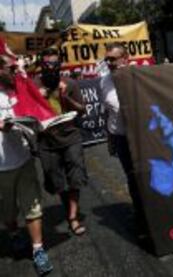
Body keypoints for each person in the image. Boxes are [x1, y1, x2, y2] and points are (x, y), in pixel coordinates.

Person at [0, 55, 53, 275]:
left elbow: (31, 112)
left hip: (23, 159)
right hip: (1, 167)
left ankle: (38, 250)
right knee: (9, 210)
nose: (15, 69)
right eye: (10, 67)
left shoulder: (16, 88)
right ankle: (13, 232)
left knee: (33, 206)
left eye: (15, 67)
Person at [35, 48, 88, 236]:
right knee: (56, 180)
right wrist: (36, 99)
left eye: (55, 64)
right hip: (46, 142)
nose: (51, 68)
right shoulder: (33, 86)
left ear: (60, 65)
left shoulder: (70, 83)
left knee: (75, 176)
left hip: (70, 138)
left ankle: (73, 217)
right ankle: (68, 205)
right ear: (41, 65)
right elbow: (25, 114)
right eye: (47, 64)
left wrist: (66, 98)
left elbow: (82, 110)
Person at [101, 42, 147, 232]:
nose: (109, 63)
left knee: (148, 175)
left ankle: (155, 211)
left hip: (142, 138)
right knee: (132, 177)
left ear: (125, 59)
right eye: (107, 59)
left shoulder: (140, 76)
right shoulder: (104, 81)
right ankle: (141, 215)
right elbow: (108, 113)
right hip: (120, 138)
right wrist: (110, 140)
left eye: (113, 59)